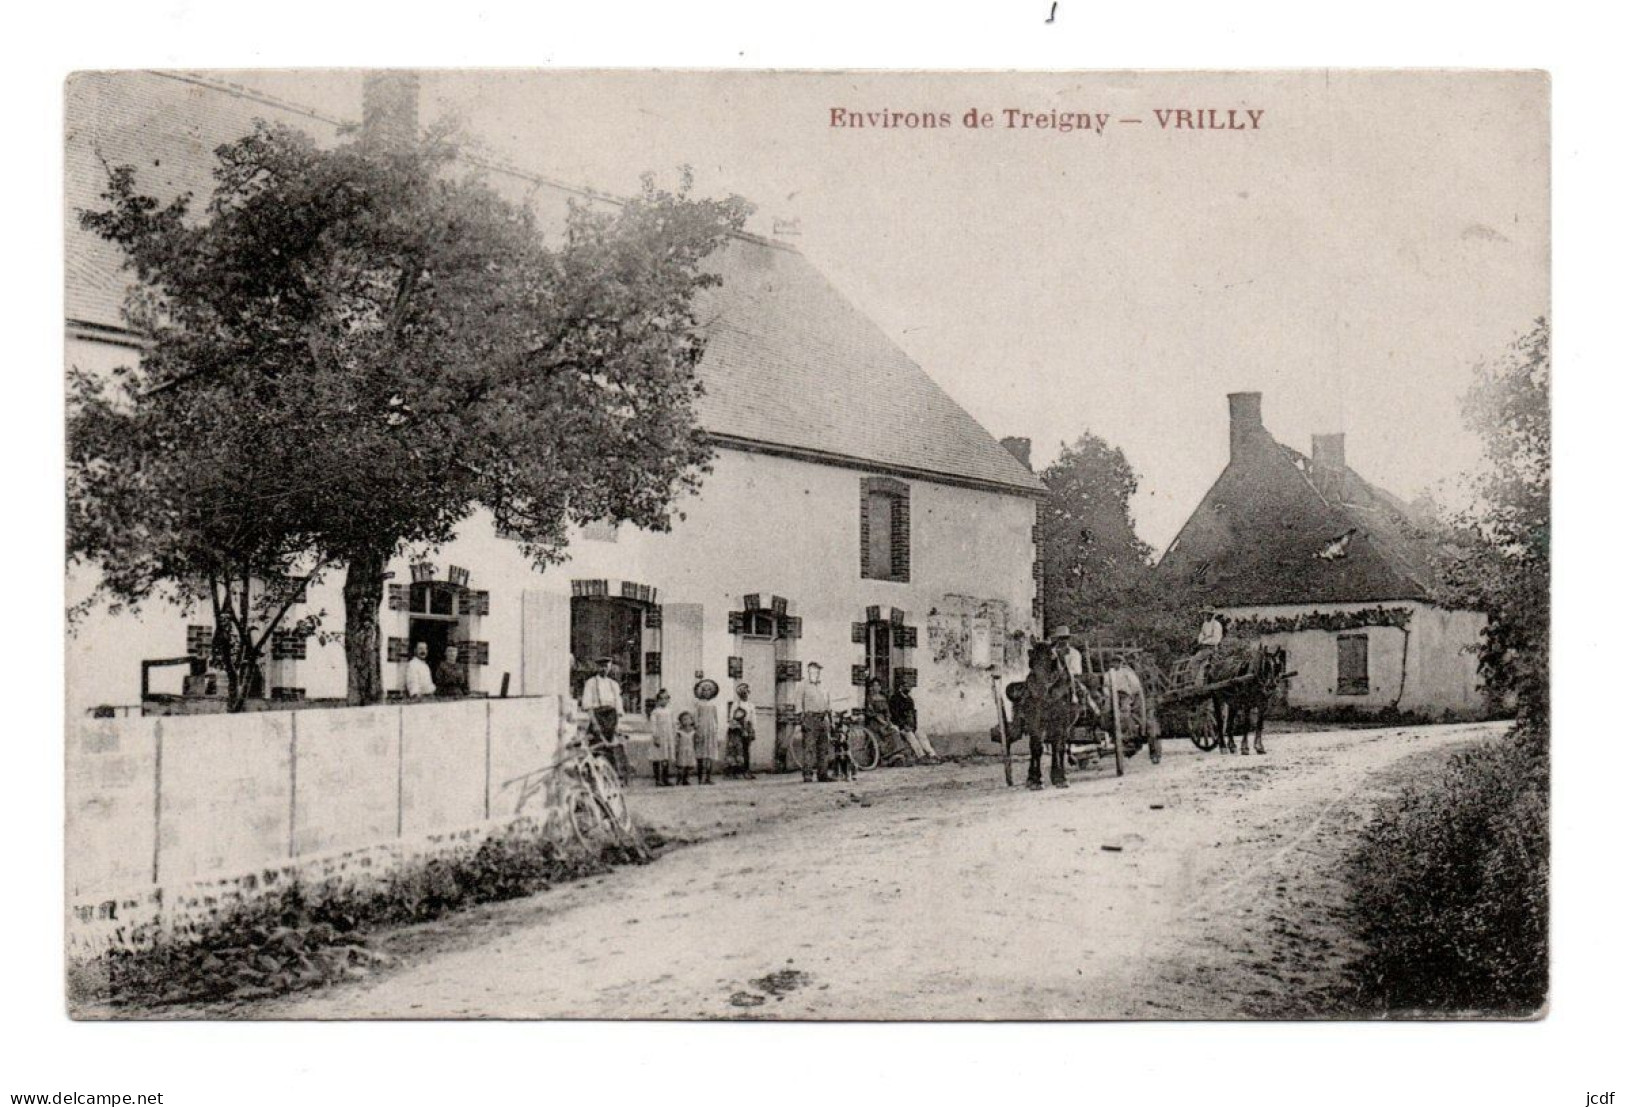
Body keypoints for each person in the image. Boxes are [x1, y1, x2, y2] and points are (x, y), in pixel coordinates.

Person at [579, 656, 628, 777]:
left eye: (606, 666)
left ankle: (614, 776)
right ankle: (595, 776)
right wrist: (594, 723)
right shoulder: (591, 683)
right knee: (597, 746)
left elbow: (618, 707)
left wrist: (617, 726)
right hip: (598, 717)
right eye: (601, 666)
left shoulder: (614, 684)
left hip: (611, 719)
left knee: (613, 748)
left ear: (610, 667)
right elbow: (588, 706)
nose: (604, 669)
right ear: (597, 667)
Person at [795, 662, 833, 782]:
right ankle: (808, 774)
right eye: (813, 670)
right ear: (808, 671)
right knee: (809, 747)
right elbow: (798, 703)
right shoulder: (802, 685)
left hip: (823, 718)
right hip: (810, 718)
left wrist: (829, 714)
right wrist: (802, 719)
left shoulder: (823, 685)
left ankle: (823, 774)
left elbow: (827, 700)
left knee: (823, 747)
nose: (815, 673)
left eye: (817, 671)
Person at [889, 683, 939, 761]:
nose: (908, 688)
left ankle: (932, 754)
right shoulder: (894, 699)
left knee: (921, 734)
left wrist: (914, 726)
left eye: (909, 686)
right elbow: (895, 715)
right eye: (905, 686)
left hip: (909, 725)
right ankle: (921, 756)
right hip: (898, 725)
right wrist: (903, 725)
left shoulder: (909, 699)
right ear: (900, 687)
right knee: (911, 736)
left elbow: (912, 714)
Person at [726, 682, 758, 780]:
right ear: (739, 694)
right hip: (737, 729)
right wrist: (738, 726)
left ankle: (746, 771)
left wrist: (753, 729)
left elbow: (753, 718)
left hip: (747, 728)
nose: (745, 694)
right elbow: (732, 717)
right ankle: (735, 772)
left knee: (746, 750)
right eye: (742, 693)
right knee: (736, 751)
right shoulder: (736, 704)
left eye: (746, 692)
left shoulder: (751, 705)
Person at [693, 679, 721, 785]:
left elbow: (715, 718)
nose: (706, 692)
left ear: (712, 692)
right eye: (704, 690)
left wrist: (716, 729)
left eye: (709, 690)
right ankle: (700, 777)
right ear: (701, 692)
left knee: (710, 754)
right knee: (701, 754)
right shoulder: (699, 704)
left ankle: (708, 777)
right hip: (702, 729)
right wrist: (697, 728)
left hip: (711, 730)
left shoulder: (713, 705)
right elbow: (696, 717)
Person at [648, 689, 676, 786]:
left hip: (668, 737)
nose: (664, 700)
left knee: (665, 758)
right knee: (657, 758)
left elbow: (673, 724)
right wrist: (655, 737)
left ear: (668, 700)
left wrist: (674, 734)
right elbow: (653, 725)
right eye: (661, 698)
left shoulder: (670, 711)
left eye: (666, 698)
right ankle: (658, 779)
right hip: (659, 737)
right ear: (658, 700)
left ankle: (665, 778)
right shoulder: (655, 712)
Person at [673, 711, 698, 786]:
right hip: (682, 750)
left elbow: (695, 741)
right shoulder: (679, 732)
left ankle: (686, 779)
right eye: (684, 719)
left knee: (689, 767)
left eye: (688, 719)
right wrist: (676, 749)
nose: (686, 721)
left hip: (690, 750)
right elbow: (676, 741)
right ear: (680, 721)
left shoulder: (693, 731)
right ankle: (679, 779)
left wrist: (695, 749)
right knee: (681, 766)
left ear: (691, 720)